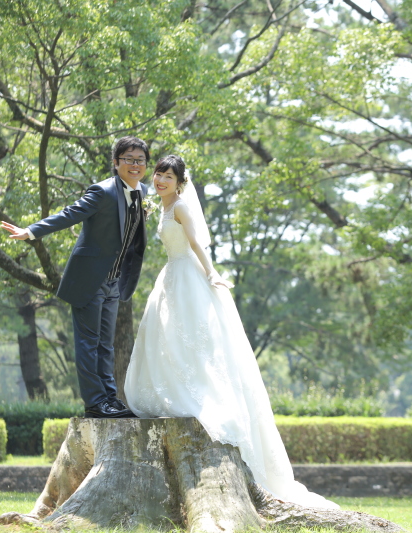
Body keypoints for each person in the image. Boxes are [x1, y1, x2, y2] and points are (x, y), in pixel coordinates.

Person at [124, 155, 338, 509]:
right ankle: (176, 393)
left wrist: (212, 274)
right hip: (171, 276)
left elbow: (196, 243)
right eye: (159, 174)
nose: (160, 180)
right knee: (168, 340)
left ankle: (201, 401)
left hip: (188, 275)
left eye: (168, 176)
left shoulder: (180, 207)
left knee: (193, 339)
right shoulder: (160, 207)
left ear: (180, 183)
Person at [1, 136, 149, 419]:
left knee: (106, 345)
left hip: (114, 282)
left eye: (140, 160)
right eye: (128, 159)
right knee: (88, 343)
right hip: (89, 279)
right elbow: (70, 213)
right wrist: (31, 231)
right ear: (116, 162)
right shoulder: (103, 191)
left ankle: (110, 398)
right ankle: (95, 402)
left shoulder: (142, 192)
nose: (135, 165)